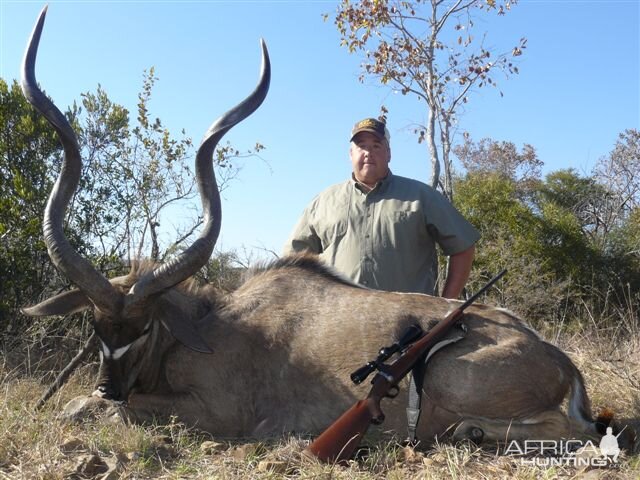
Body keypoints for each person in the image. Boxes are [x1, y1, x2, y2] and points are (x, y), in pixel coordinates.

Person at [283, 117, 479, 299]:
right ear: (351, 154)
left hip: (411, 329)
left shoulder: (421, 196)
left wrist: (446, 306)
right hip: (339, 326)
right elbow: (292, 261)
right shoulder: (323, 202)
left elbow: (463, 247)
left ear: (389, 153)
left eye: (376, 146)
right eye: (361, 146)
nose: (368, 152)